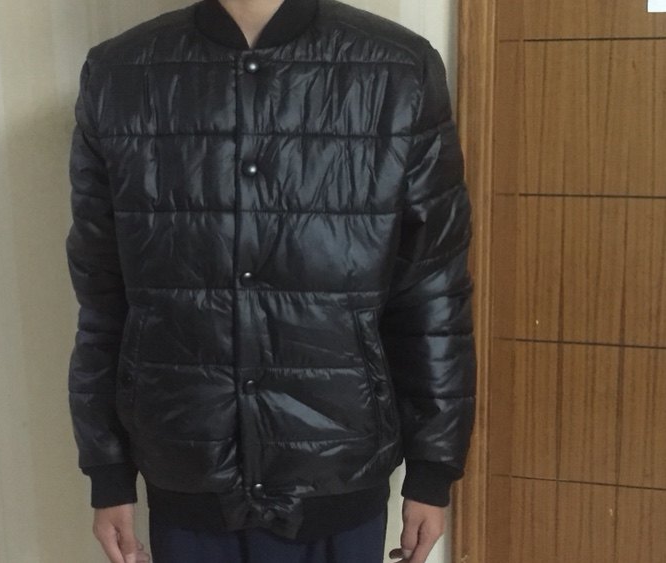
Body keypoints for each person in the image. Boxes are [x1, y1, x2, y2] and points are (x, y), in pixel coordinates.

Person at [64, 0, 477, 562]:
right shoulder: (120, 73)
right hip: (187, 464)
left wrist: (432, 468)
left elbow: (433, 288)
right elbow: (102, 294)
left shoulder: (398, 68)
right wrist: (108, 470)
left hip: (339, 465)